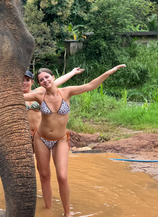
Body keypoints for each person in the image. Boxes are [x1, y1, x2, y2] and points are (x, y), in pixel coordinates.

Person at [24, 64, 125, 217]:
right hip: (41, 139)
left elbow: (91, 85)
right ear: (39, 84)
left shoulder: (67, 91)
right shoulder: (39, 96)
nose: (44, 80)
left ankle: (67, 213)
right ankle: (48, 210)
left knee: (62, 176)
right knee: (44, 175)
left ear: (53, 78)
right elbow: (15, 96)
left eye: (46, 77)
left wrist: (109, 72)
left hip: (60, 139)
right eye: (41, 80)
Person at [24, 68, 85, 136]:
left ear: (32, 81)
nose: (24, 83)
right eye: (21, 80)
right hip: (24, 136)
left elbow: (56, 82)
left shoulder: (39, 92)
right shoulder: (14, 98)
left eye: (27, 80)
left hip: (40, 134)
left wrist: (72, 72)